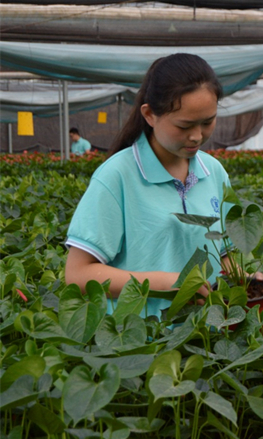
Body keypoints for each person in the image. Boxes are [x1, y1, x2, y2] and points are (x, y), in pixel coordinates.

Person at [65, 53, 229, 317]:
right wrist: (164, 284)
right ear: (150, 114)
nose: (197, 136)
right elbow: (77, 275)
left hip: (204, 337)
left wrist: (245, 279)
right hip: (140, 340)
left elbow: (223, 253)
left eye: (207, 122)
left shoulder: (215, 173)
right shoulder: (117, 176)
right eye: (185, 125)